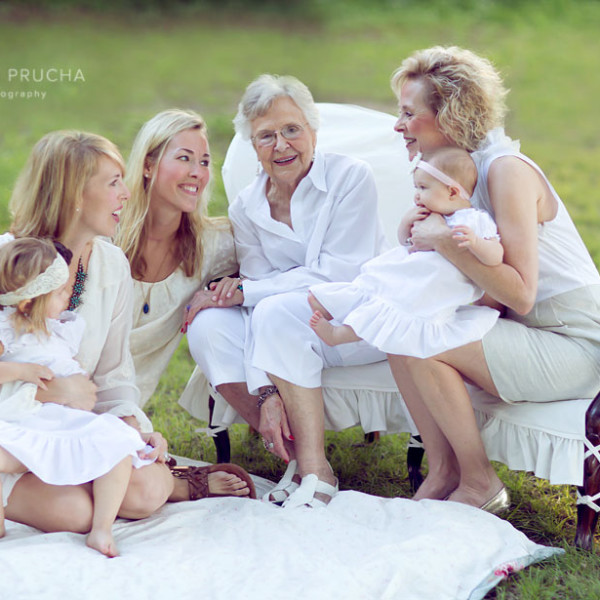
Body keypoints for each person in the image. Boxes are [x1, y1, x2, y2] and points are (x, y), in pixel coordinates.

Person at [1, 130, 255, 536]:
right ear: (75, 195)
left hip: (74, 430)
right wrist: (53, 392)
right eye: (113, 182)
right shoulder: (9, 261)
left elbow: (114, 375)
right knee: (77, 515)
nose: (126, 193)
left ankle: (148, 480)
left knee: (145, 491)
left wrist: (135, 428)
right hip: (13, 433)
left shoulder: (110, 263)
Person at [387, 45, 600, 512]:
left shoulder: (504, 171)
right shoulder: (458, 175)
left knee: (422, 334)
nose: (398, 125)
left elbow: (521, 294)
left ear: (451, 115)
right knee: (400, 331)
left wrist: (443, 240)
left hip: (576, 344)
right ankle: (445, 471)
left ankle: (482, 482)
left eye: (408, 113)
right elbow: (490, 298)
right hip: (532, 334)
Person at [185, 74, 387, 507]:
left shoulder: (351, 178)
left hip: (354, 323)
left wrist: (248, 291)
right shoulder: (247, 206)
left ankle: (319, 471)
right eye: (266, 136)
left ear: (313, 130)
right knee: (209, 325)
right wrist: (267, 391)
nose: (281, 146)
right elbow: (258, 298)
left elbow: (338, 275)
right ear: (252, 146)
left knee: (273, 310)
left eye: (292, 130)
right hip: (288, 328)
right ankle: (291, 455)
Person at [0, 237, 155, 557]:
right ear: (28, 303)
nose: (68, 295)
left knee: (118, 442)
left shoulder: (61, 330)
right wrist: (20, 371)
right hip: (24, 416)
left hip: (63, 419)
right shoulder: (8, 330)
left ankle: (102, 529)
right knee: (8, 455)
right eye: (59, 292)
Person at [309, 146, 503, 356]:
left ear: (452, 191)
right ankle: (340, 305)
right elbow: (406, 242)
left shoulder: (474, 220)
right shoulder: (427, 215)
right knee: (378, 287)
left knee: (395, 306)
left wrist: (475, 243)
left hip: (430, 288)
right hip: (409, 275)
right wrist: (405, 223)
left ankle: (340, 335)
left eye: (423, 188)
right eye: (416, 188)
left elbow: (496, 256)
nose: (417, 196)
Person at [115, 109, 238, 408]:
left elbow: (274, 260)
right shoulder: (106, 233)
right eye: (184, 158)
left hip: (123, 410)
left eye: (204, 161)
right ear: (148, 165)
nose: (198, 172)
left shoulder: (215, 246)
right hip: (61, 387)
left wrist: (239, 286)